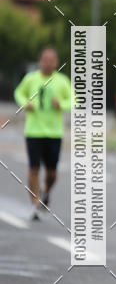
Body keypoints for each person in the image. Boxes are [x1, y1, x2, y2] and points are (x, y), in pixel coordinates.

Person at [14, 46, 71, 221]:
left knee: (52, 173)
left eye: (51, 60)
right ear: (40, 61)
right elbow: (18, 93)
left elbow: (73, 99)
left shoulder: (61, 81)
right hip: (34, 131)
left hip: (53, 133)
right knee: (34, 168)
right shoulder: (31, 79)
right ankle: (35, 205)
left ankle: (46, 192)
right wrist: (25, 103)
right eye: (45, 59)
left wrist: (60, 104)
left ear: (56, 62)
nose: (47, 63)